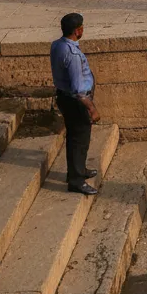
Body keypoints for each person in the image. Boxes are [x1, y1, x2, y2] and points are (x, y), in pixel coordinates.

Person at [50, 12, 101, 195]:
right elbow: (78, 90)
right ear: (78, 30)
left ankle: (78, 170)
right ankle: (76, 180)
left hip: (64, 97)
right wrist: (92, 108)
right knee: (79, 139)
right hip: (75, 101)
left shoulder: (57, 45)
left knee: (76, 137)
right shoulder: (72, 55)